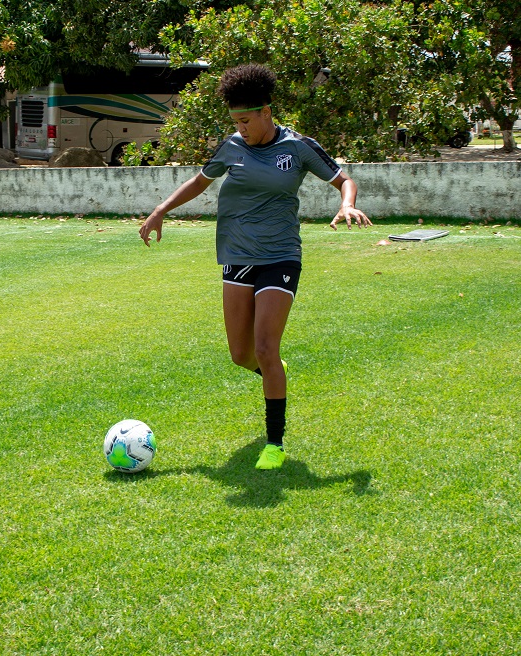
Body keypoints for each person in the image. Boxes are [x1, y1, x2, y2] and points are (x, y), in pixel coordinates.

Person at [139, 64, 370, 470]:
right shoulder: (231, 146)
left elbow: (342, 179)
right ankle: (274, 371)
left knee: (265, 348)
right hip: (236, 255)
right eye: (236, 122)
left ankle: (274, 443)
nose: (241, 128)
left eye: (246, 120)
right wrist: (161, 210)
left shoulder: (298, 147)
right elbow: (200, 181)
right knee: (241, 354)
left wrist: (346, 204)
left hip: (280, 255)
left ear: (266, 112)